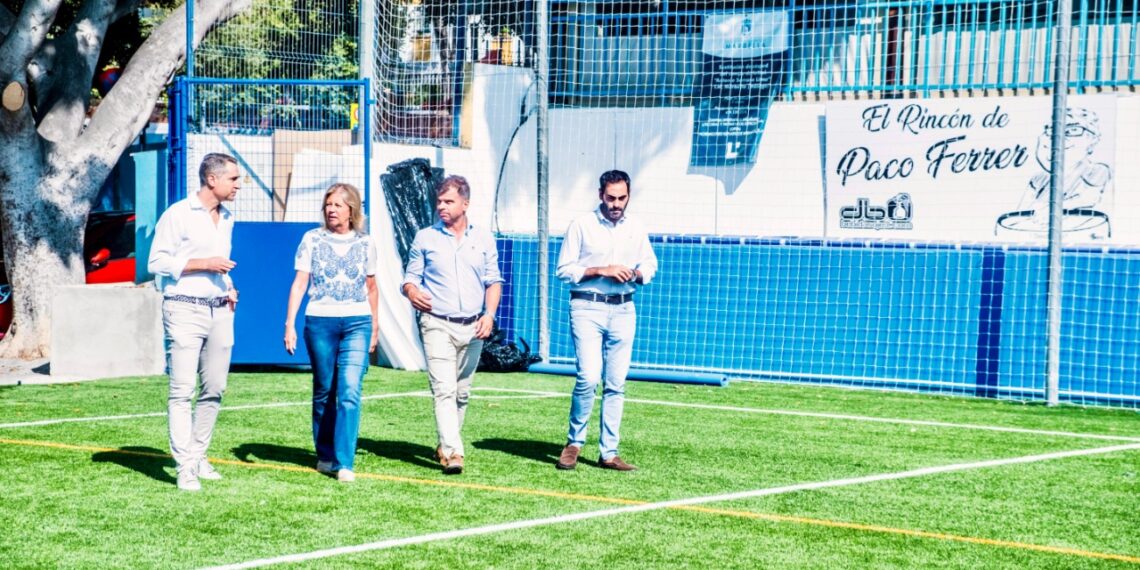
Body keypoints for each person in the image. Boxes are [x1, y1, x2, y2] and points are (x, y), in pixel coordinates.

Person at [148, 152, 242, 492]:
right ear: (212, 180)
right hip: (183, 309)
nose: (238, 185)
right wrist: (204, 263)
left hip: (220, 310)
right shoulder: (178, 214)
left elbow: (221, 267)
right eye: (233, 179)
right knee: (181, 391)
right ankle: (185, 466)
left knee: (215, 388)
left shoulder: (228, 217)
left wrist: (229, 289)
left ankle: (198, 455)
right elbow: (156, 261)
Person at [555, 169, 658, 472]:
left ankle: (609, 453)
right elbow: (564, 269)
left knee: (616, 383)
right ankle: (574, 443)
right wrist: (601, 269)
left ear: (628, 197)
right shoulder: (582, 226)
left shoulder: (636, 227)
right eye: (611, 197)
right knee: (588, 377)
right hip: (588, 307)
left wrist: (637, 274)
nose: (616, 203)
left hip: (625, 308)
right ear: (601, 195)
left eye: (622, 198)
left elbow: (650, 263)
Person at [402, 175, 502, 475]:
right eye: (439, 201)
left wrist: (489, 314)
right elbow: (409, 279)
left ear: (465, 203)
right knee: (443, 389)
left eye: (448, 201)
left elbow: (493, 280)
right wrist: (412, 291)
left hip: (473, 328)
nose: (441, 207)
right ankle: (453, 451)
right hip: (436, 324)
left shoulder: (483, 238)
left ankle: (445, 443)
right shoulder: (424, 237)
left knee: (462, 392)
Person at [284, 183, 379, 483]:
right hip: (319, 323)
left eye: (338, 205)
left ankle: (345, 461)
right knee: (325, 390)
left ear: (352, 210)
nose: (331, 210)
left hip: (357, 323)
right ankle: (324, 454)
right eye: (328, 204)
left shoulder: (366, 243)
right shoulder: (311, 239)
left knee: (350, 391)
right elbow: (300, 283)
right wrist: (289, 324)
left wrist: (375, 327)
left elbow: (372, 287)